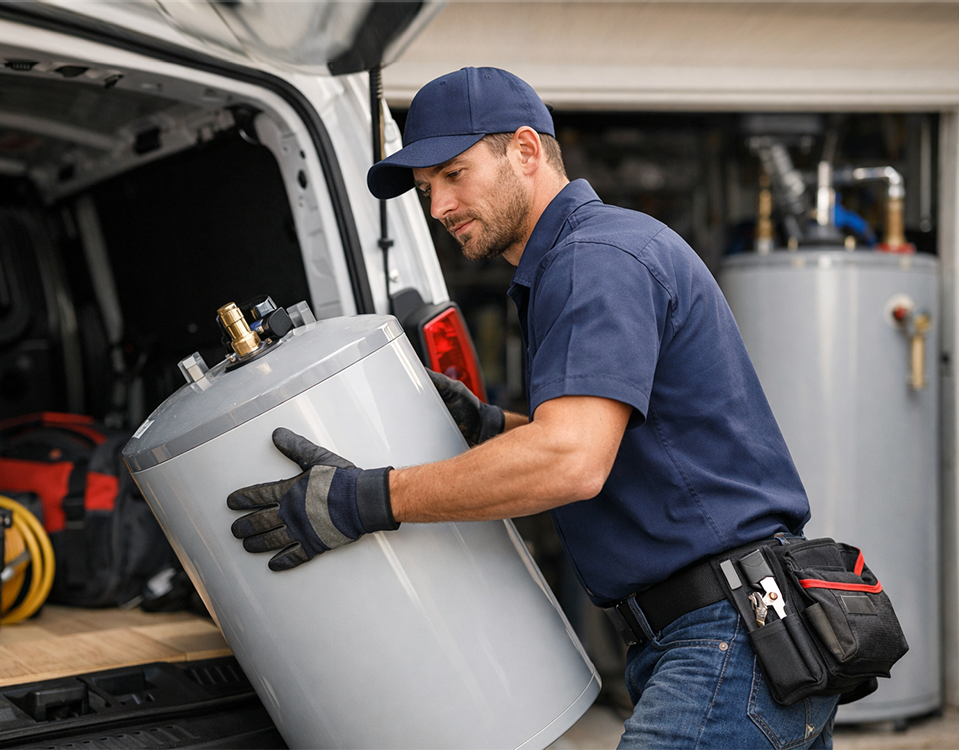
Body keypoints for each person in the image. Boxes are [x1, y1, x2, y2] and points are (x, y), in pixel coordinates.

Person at [226, 67, 839, 748]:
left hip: (725, 640)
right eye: (428, 191)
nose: (438, 208)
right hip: (743, 631)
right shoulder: (588, 257)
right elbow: (618, 443)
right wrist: (492, 428)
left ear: (524, 150)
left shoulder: (594, 259)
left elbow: (571, 462)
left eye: (454, 174)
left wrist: (365, 500)